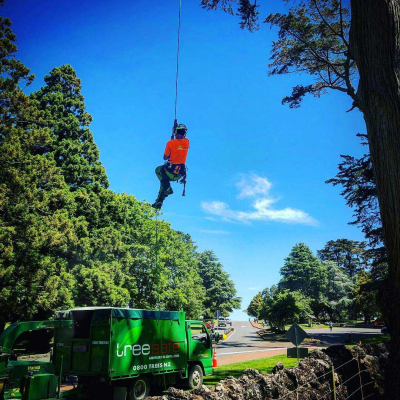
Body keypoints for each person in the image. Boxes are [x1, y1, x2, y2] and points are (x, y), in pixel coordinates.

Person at [152, 122, 189, 210]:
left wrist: (172, 139)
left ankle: (168, 188)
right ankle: (159, 202)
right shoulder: (187, 142)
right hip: (179, 174)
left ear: (176, 132)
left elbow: (165, 157)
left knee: (158, 170)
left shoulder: (170, 143)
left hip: (170, 171)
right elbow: (179, 144)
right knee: (164, 182)